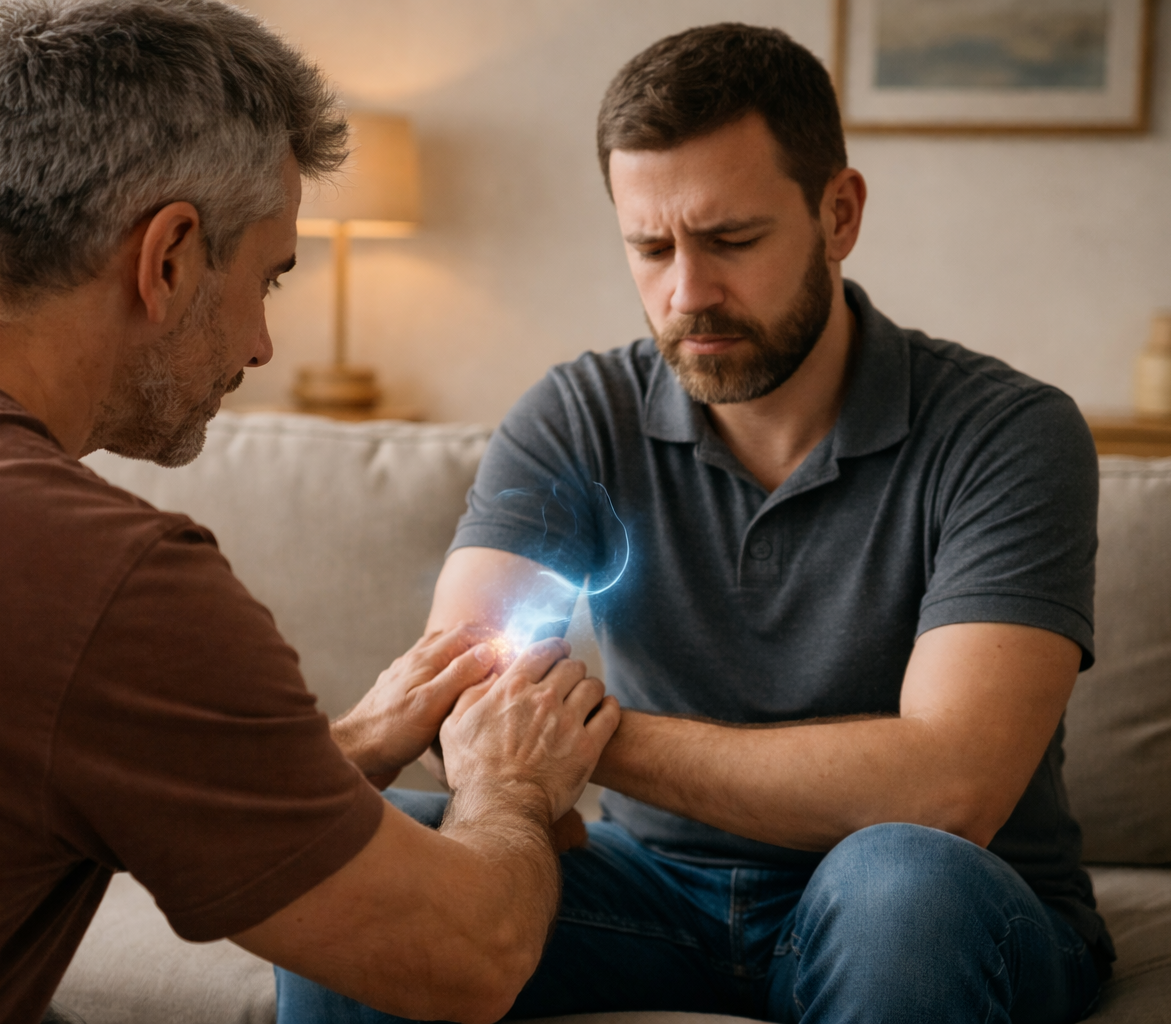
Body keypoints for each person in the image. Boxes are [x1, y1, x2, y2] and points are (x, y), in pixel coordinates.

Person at [0, 2, 620, 1022]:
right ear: (167, 257)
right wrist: (510, 784)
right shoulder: (104, 579)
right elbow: (463, 956)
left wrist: (359, 744)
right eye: (268, 278)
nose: (260, 346)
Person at [277, 22, 1110, 1024]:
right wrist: (505, 753)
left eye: (731, 240)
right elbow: (466, 702)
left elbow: (950, 788)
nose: (688, 293)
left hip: (937, 900)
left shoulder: (1009, 432)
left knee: (900, 871)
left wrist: (581, 740)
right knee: (365, 856)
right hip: (655, 892)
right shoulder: (578, 414)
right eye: (651, 246)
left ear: (838, 214)